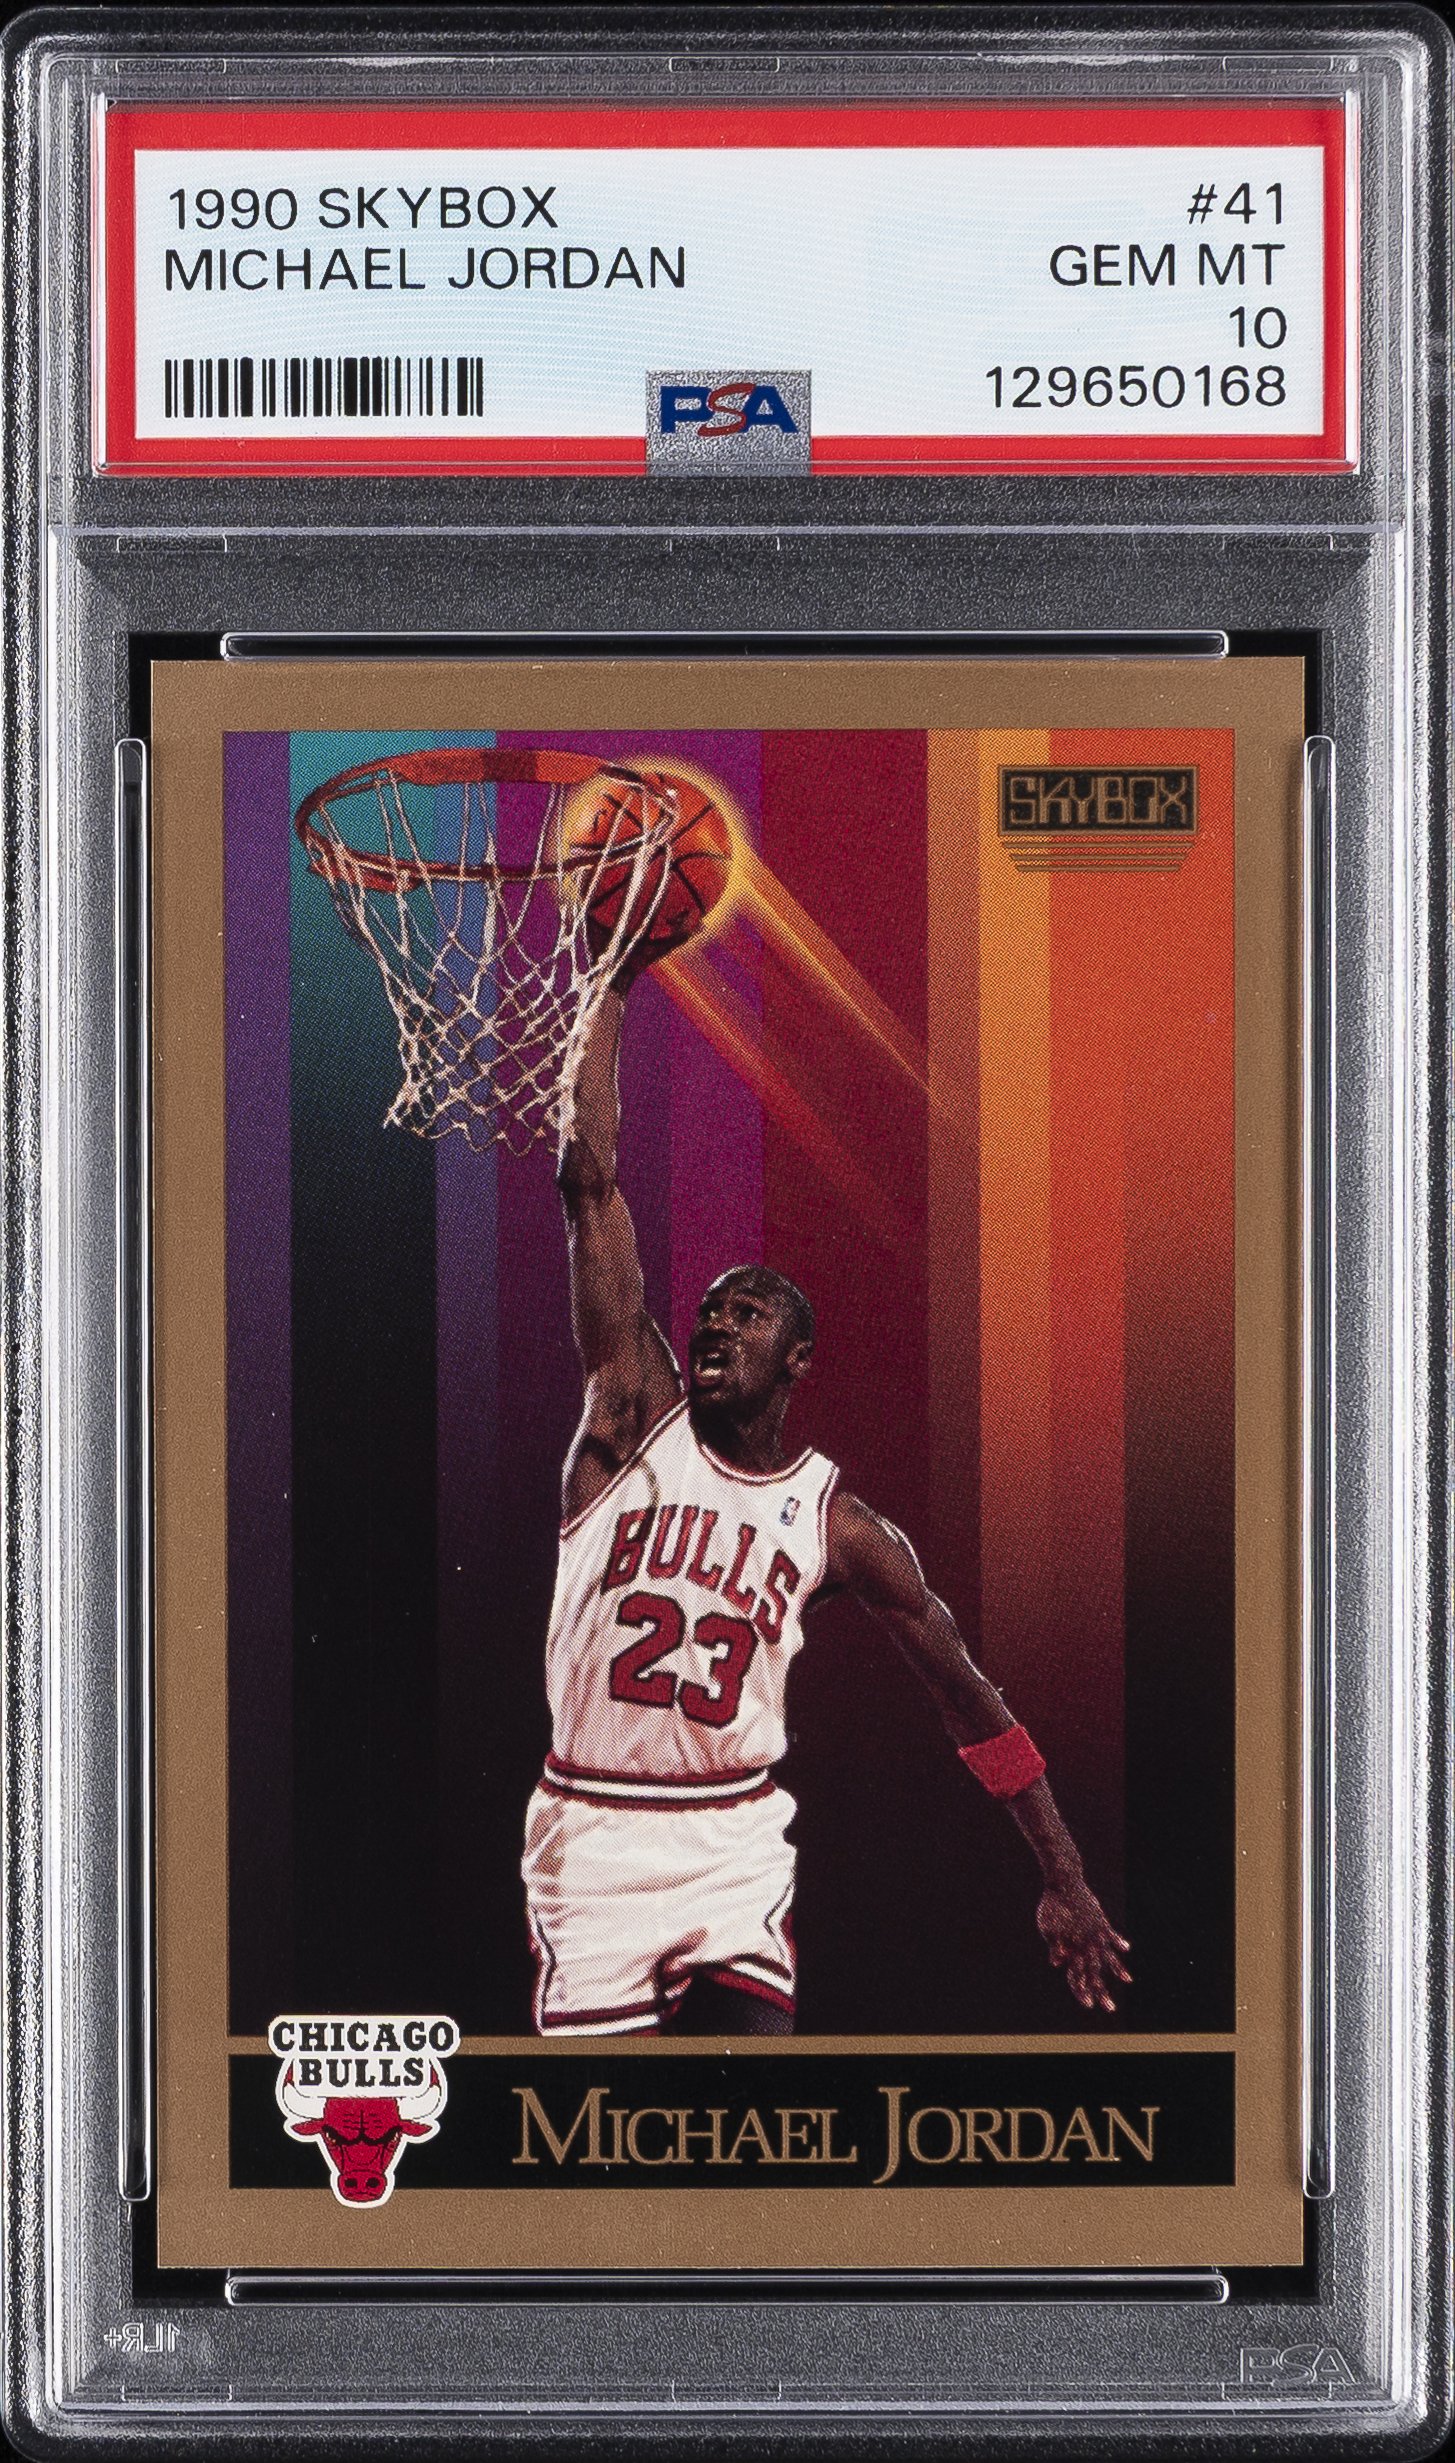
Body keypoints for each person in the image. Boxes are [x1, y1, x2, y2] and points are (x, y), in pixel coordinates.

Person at [521, 980, 1130, 2037]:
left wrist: (1063, 1876)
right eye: (708, 1312)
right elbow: (589, 1185)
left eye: (747, 1315)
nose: (715, 1326)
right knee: (607, 2131)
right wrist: (613, 987)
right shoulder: (630, 1416)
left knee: (758, 2112)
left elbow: (968, 1697)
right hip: (596, 1826)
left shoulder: (836, 1524)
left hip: (732, 1838)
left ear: (796, 1358)